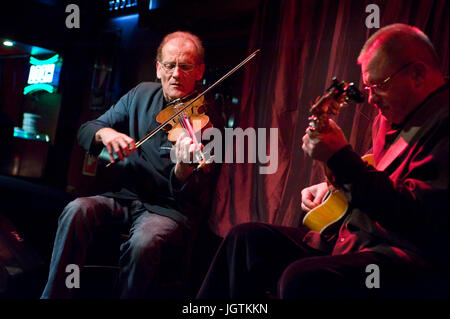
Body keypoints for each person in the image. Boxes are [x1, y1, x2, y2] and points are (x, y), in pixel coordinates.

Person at [196, 23, 448, 299]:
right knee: (244, 240)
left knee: (300, 280)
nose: (372, 98)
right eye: (368, 87)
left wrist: (340, 158)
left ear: (418, 74)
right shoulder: (390, 118)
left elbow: (416, 217)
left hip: (404, 255)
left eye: (380, 86)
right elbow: (380, 172)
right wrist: (331, 188)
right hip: (351, 237)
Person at [41, 31, 220, 298]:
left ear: (199, 71)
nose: (176, 74)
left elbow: (197, 192)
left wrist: (183, 169)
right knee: (76, 209)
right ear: (158, 68)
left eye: (185, 66)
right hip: (126, 197)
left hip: (168, 210)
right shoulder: (140, 95)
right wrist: (106, 134)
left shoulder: (208, 118)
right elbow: (87, 130)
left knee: (144, 243)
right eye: (170, 65)